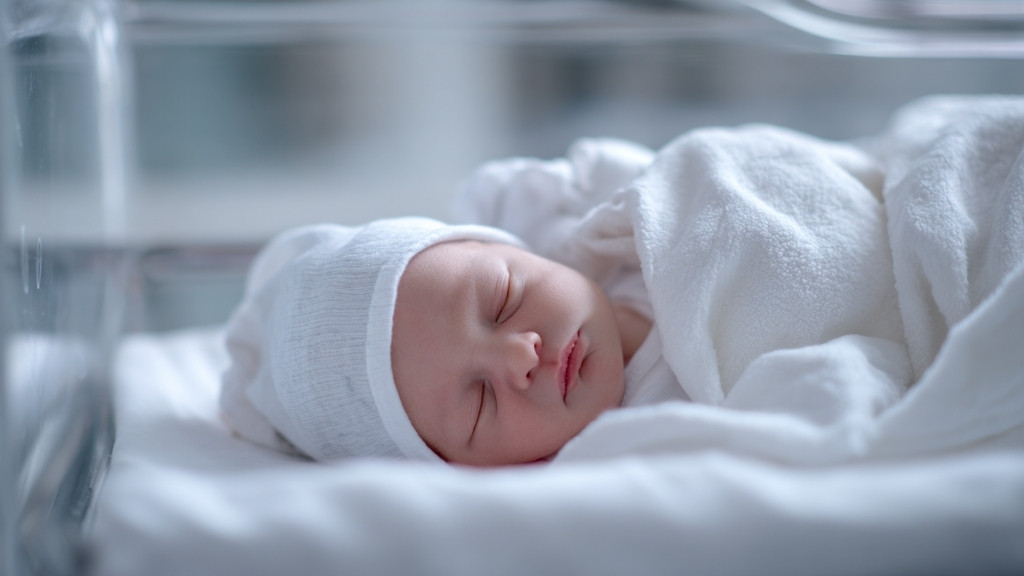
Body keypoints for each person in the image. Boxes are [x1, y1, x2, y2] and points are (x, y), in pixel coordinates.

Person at [220, 216, 676, 467]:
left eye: (504, 299)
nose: (520, 355)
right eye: (481, 403)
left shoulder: (632, 227)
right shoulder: (630, 458)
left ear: (514, 247)